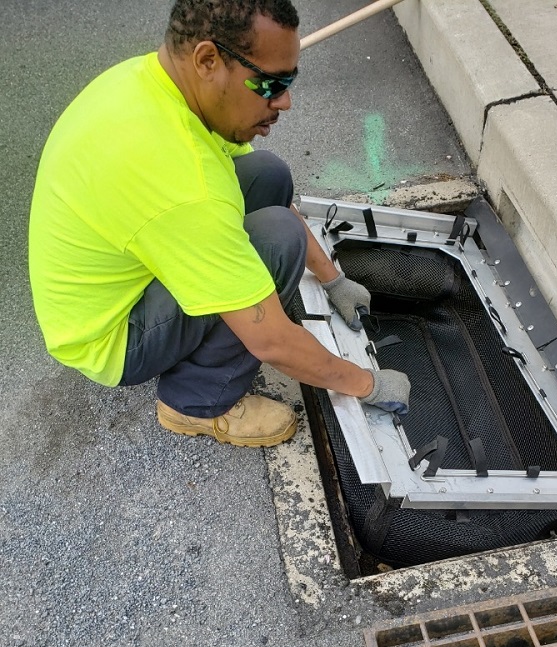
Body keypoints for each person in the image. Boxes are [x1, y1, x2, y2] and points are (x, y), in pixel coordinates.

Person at [28, 0, 410, 447]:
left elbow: (251, 192)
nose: (284, 101)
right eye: (270, 84)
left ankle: (200, 347)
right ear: (208, 60)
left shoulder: (160, 87)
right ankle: (195, 403)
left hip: (113, 271)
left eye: (288, 82)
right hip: (110, 336)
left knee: (268, 174)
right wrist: (368, 384)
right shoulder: (183, 182)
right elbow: (271, 341)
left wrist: (332, 280)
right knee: (277, 242)